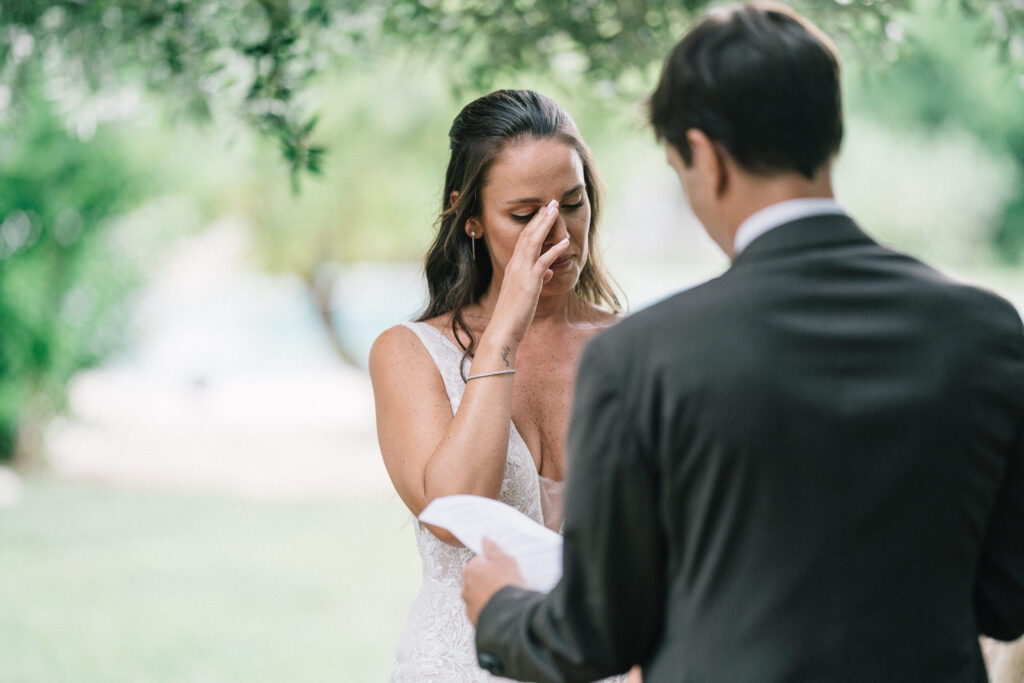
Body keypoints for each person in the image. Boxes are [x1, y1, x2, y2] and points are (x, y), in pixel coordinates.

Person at [461, 3, 1024, 681]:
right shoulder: (986, 332)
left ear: (705, 155)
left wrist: (500, 609)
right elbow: (1006, 598)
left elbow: (594, 636)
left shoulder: (641, 358)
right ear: (830, 130)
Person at [369, 89, 631, 681]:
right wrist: (501, 338)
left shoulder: (637, 350)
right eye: (524, 214)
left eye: (573, 203)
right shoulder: (410, 354)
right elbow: (452, 512)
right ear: (470, 218)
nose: (558, 235)